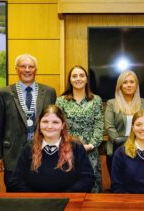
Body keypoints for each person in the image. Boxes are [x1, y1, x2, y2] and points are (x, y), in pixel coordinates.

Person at [0, 53, 57, 191]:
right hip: (12, 155)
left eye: (31, 67)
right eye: (23, 66)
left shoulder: (49, 92)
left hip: (42, 154)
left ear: (36, 70)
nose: (27, 70)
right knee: (14, 194)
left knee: (42, 193)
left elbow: (55, 123)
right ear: (16, 69)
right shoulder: (3, 93)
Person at [8, 105, 95, 192]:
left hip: (69, 201)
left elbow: (87, 179)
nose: (49, 126)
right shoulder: (28, 148)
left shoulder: (76, 147)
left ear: (62, 125)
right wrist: (38, 199)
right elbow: (15, 182)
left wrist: (64, 197)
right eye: (45, 121)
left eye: (55, 122)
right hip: (36, 203)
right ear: (39, 124)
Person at [56, 65, 104, 193]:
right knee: (69, 188)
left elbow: (99, 126)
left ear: (87, 80)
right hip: (67, 151)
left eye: (81, 75)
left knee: (92, 189)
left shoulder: (96, 100)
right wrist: (69, 145)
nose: (78, 79)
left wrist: (91, 145)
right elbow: (58, 126)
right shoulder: (61, 101)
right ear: (70, 80)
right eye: (74, 76)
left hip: (90, 152)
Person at [104, 70, 144, 175]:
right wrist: (124, 146)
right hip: (116, 151)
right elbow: (109, 127)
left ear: (136, 85)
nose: (129, 85)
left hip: (140, 150)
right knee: (118, 185)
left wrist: (135, 146)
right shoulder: (112, 103)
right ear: (120, 85)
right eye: (125, 82)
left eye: (132, 82)